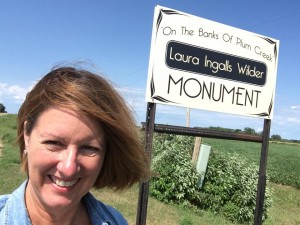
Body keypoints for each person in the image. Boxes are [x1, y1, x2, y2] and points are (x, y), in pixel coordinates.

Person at [0, 66, 149, 225]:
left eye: (89, 148)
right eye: (54, 143)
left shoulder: (117, 221)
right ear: (27, 135)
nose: (68, 168)